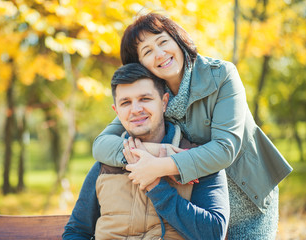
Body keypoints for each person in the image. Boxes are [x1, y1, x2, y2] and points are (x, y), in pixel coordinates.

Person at [92, 13, 293, 239]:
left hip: (248, 198)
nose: (160, 54)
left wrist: (159, 166)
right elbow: (101, 145)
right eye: (147, 51)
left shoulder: (222, 76)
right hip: (197, 209)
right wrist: (153, 152)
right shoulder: (150, 98)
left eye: (163, 42)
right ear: (140, 64)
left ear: (177, 39)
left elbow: (224, 149)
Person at [63, 63, 229, 240]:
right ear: (117, 112)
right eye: (126, 102)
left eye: (145, 99)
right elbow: (76, 231)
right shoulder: (105, 165)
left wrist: (155, 184)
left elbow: (213, 233)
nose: (136, 109)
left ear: (164, 103)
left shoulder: (197, 158)